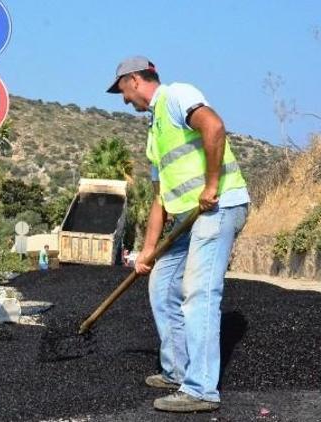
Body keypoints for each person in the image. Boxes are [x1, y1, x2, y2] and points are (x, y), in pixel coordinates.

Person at [107, 56, 249, 413]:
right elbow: (160, 199)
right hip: (188, 216)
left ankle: (201, 389)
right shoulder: (155, 133)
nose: (124, 99)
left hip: (218, 207)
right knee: (161, 284)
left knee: (199, 292)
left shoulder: (176, 96)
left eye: (122, 90)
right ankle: (177, 370)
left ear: (135, 80)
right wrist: (147, 252)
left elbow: (214, 126)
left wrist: (212, 184)